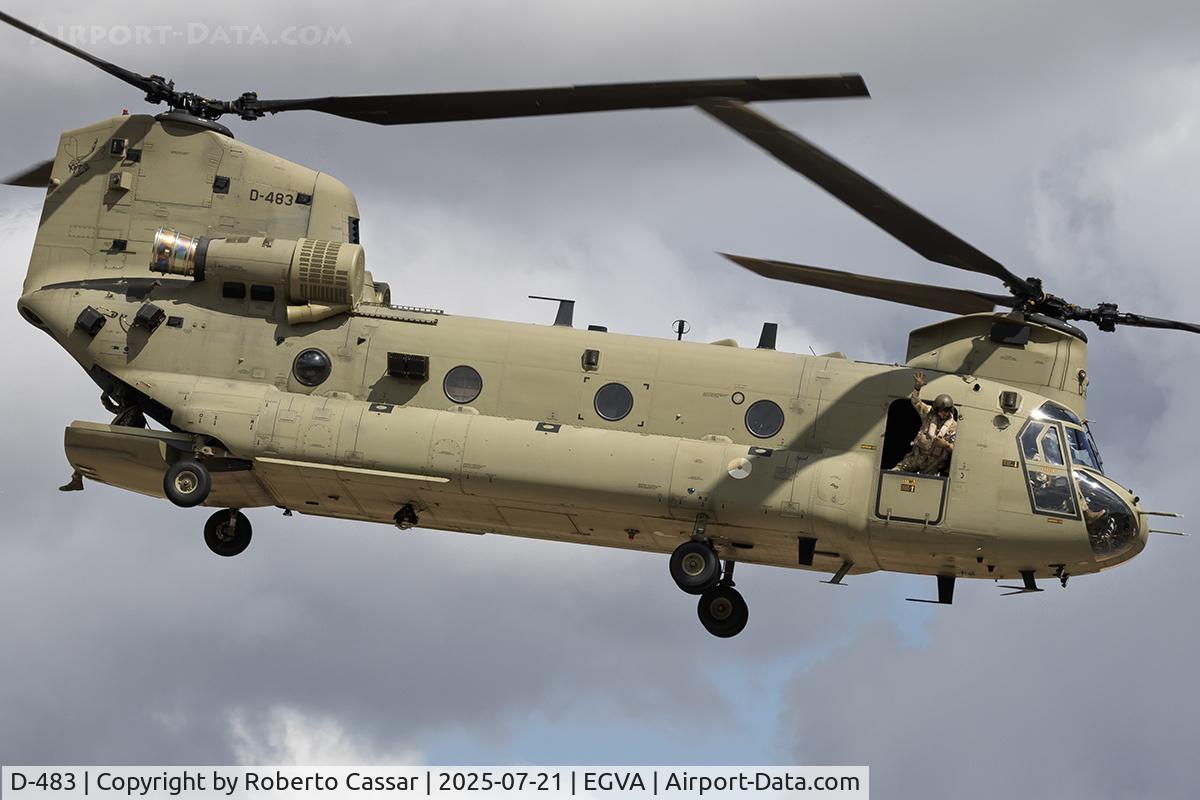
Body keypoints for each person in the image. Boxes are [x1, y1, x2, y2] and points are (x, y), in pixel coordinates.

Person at [894, 371, 957, 475]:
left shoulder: (953, 427)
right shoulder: (928, 414)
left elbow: (956, 450)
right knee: (895, 473)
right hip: (916, 457)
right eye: (940, 411)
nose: (943, 414)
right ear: (936, 409)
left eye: (946, 411)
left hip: (933, 464)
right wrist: (917, 388)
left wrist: (945, 445)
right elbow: (915, 402)